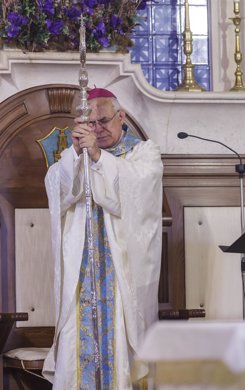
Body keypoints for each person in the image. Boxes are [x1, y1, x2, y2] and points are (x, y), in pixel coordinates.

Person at [42, 88, 163, 390]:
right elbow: (57, 184)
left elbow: (138, 191)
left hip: (121, 277)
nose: (97, 130)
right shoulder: (74, 155)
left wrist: (97, 156)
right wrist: (75, 155)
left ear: (121, 117)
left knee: (121, 347)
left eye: (104, 121)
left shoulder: (143, 153)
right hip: (82, 277)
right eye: (90, 124)